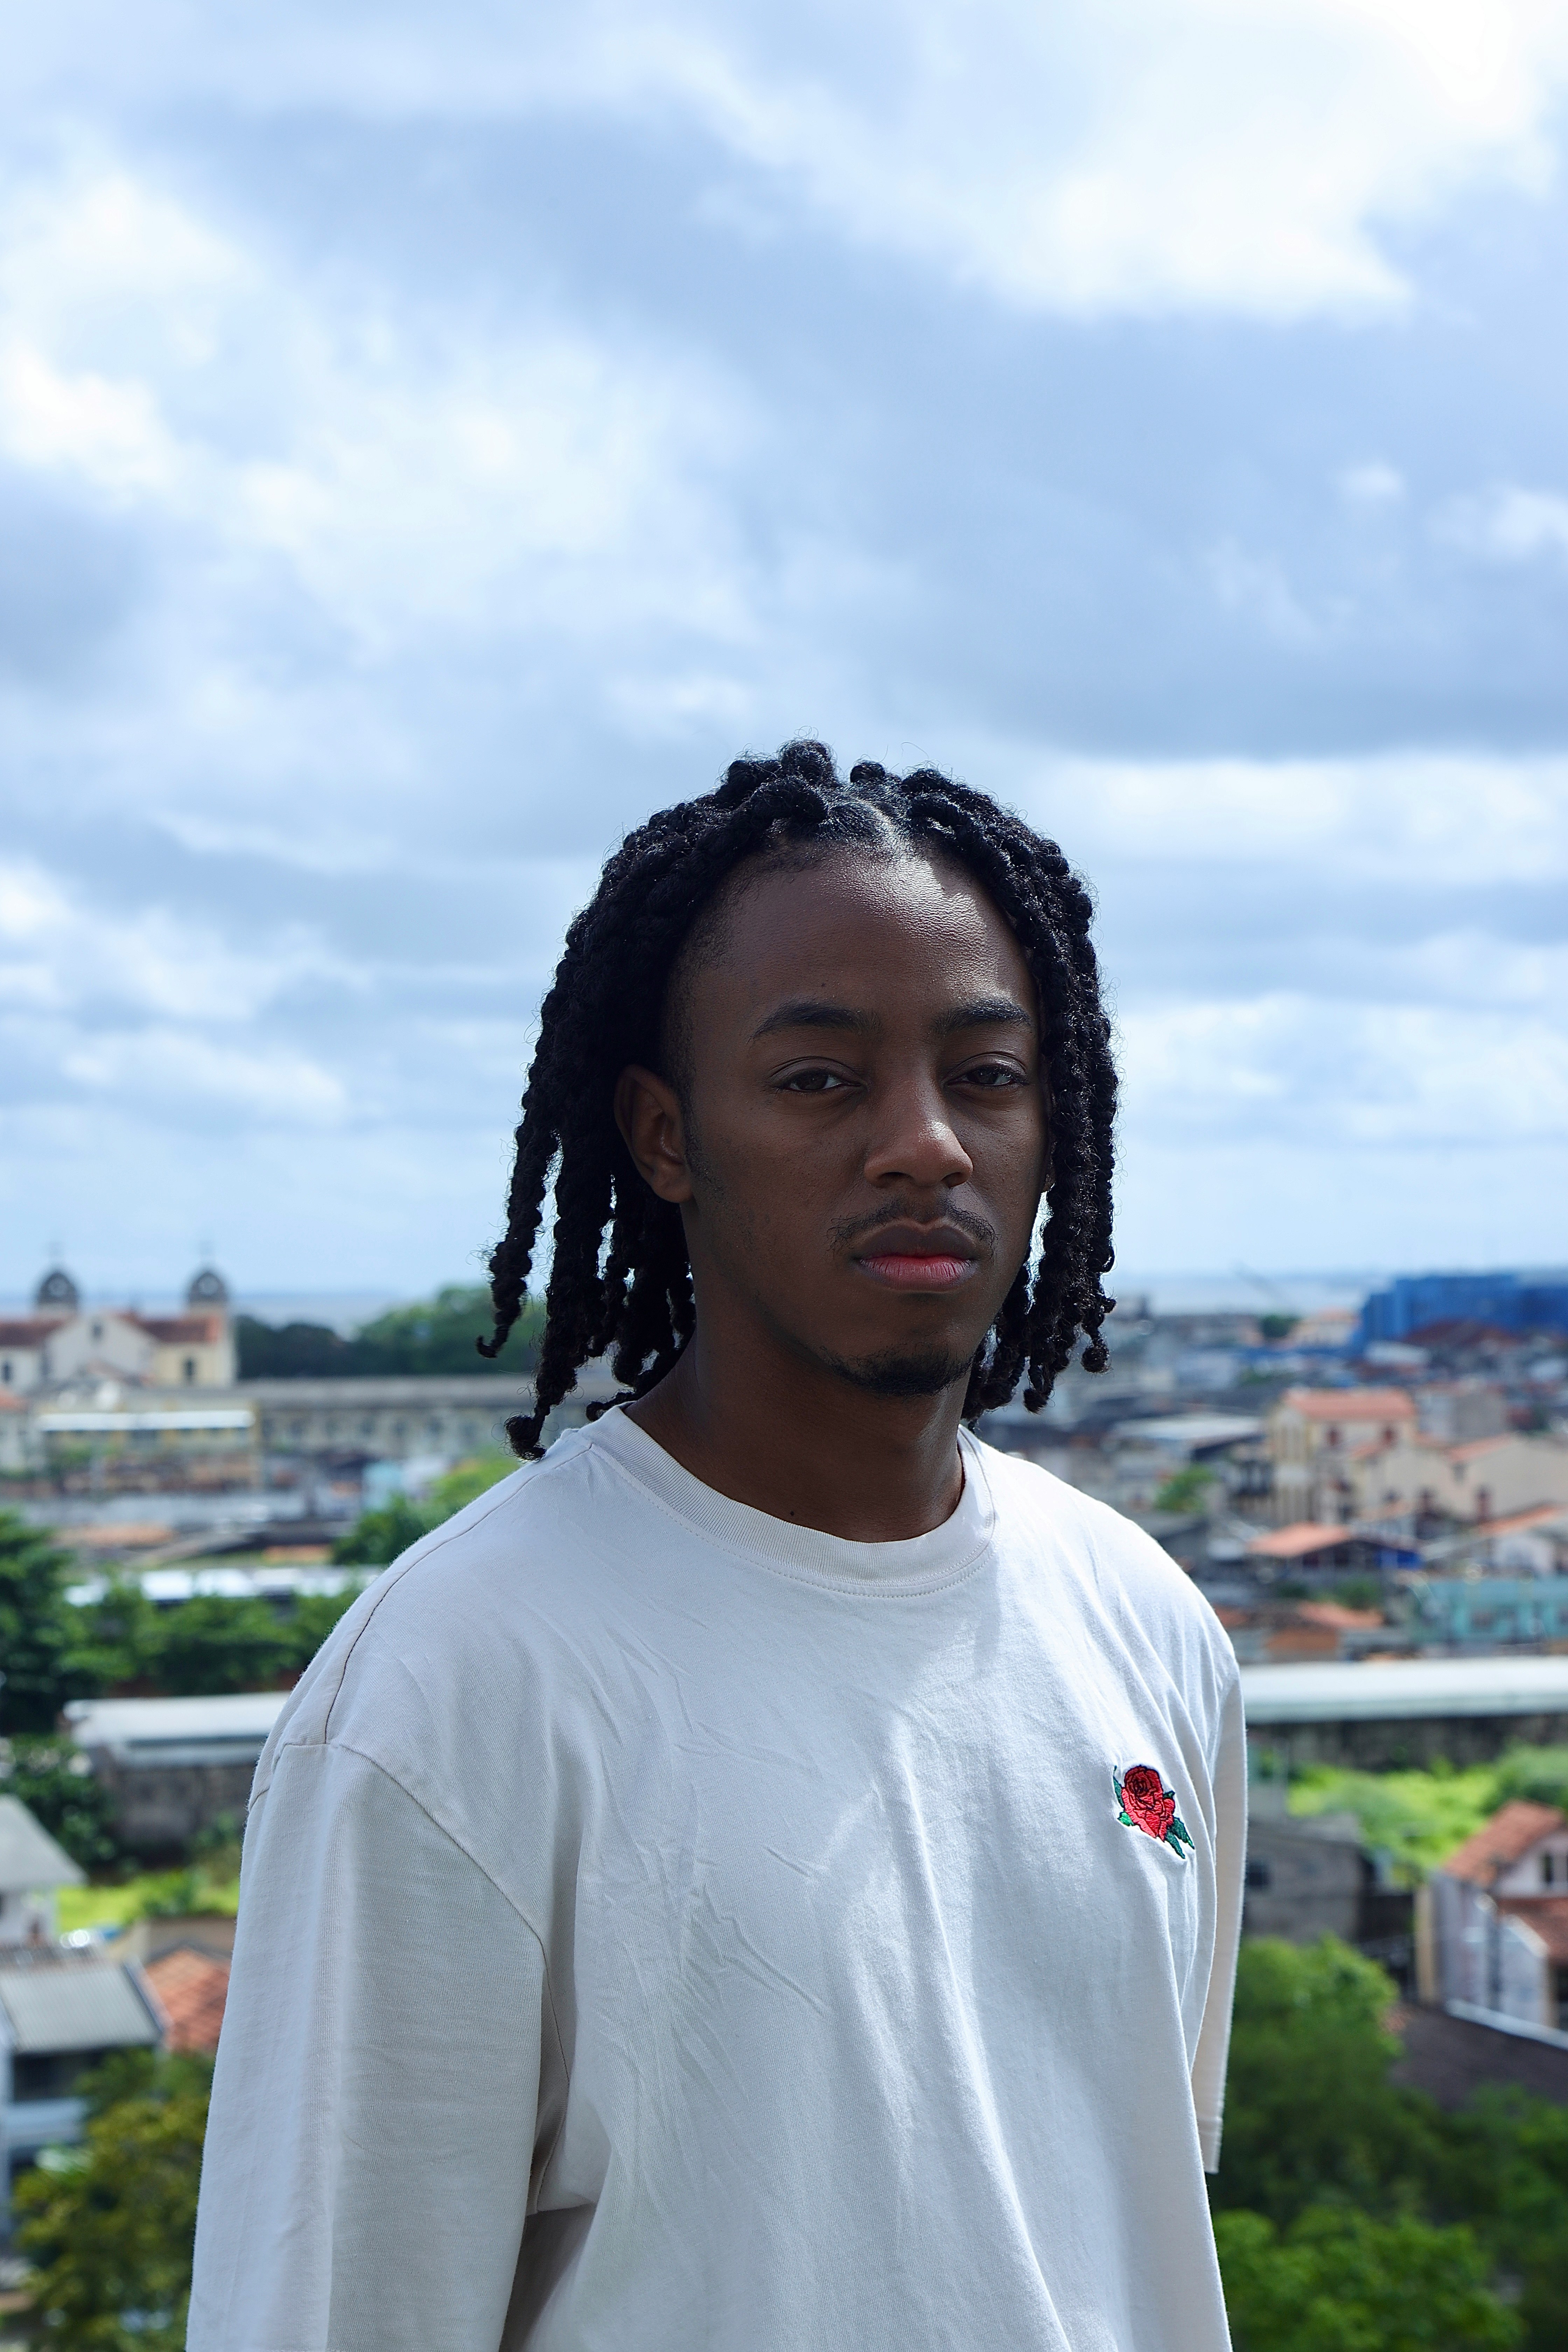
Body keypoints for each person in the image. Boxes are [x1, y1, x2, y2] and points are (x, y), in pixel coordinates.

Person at [189, 742, 1245, 2352]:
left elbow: (1105, 2212)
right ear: (665, 1138)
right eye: (820, 1078)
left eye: (986, 1075)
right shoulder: (452, 1691)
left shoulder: (1151, 1630)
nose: (924, 1146)